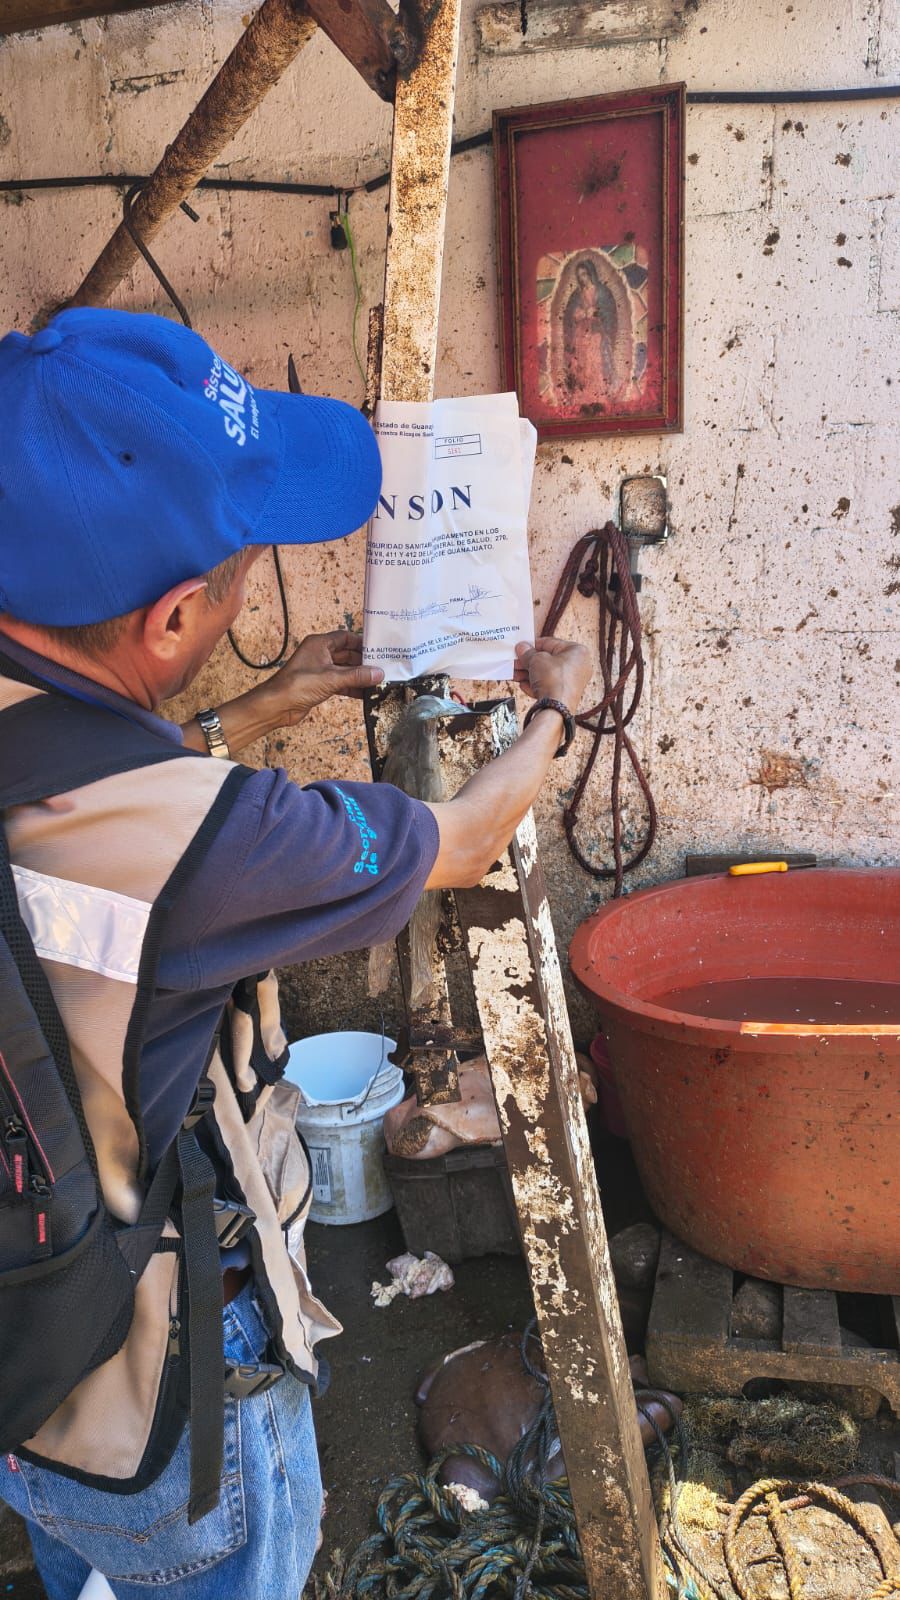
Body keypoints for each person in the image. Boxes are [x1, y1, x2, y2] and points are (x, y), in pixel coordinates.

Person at [0, 308, 591, 1600]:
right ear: (168, 619)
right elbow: (461, 838)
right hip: (152, 1403)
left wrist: (272, 701)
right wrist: (556, 709)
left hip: (20, 1364)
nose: (244, 587)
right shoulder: (215, 847)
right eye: (241, 569)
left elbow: (97, 776)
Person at [562, 257, 617, 403]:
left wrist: (596, 312)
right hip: (581, 333)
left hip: (596, 332)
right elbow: (569, 314)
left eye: (585, 274)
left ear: (591, 273)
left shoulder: (602, 292)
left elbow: (609, 312)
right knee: (582, 362)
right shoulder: (577, 294)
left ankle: (598, 394)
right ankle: (583, 395)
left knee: (596, 361)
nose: (583, 279)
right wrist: (579, 314)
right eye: (580, 276)